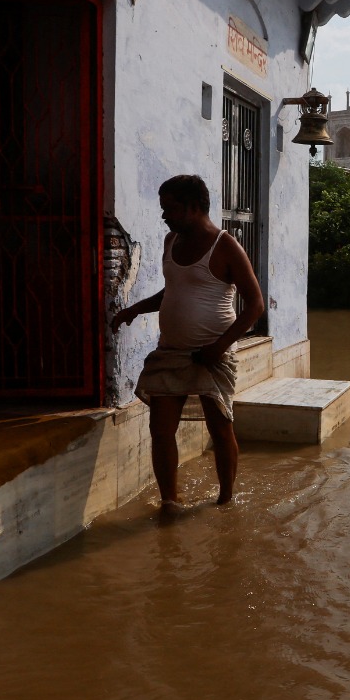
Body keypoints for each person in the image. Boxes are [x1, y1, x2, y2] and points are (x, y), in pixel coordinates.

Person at [111, 175, 264, 508]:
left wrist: (219, 347)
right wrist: (136, 308)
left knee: (220, 428)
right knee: (161, 430)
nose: (165, 216)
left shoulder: (225, 245)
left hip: (213, 355)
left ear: (195, 207)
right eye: (163, 209)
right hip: (171, 352)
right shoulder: (171, 241)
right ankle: (170, 501)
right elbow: (175, 290)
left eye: (171, 209)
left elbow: (255, 305)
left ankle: (225, 500)